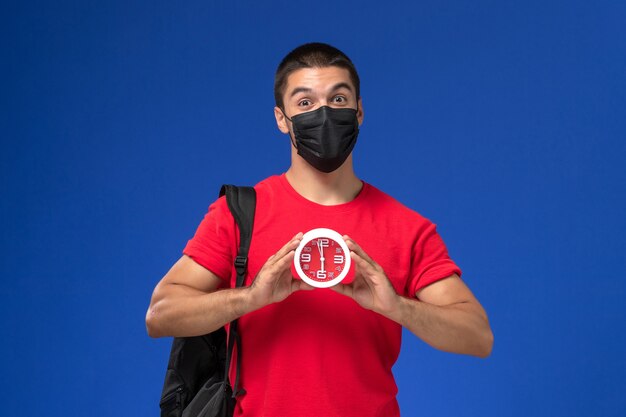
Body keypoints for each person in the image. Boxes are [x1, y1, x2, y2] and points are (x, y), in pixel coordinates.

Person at [146, 42, 493, 416]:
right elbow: (161, 313)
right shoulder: (238, 213)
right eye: (305, 102)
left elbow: (477, 335)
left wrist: (399, 307)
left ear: (359, 112)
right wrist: (250, 298)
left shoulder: (406, 227)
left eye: (339, 99)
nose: (325, 113)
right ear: (282, 118)